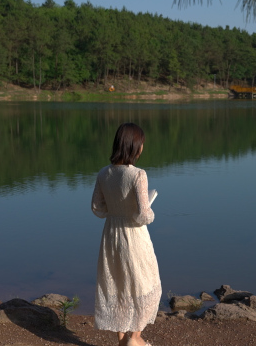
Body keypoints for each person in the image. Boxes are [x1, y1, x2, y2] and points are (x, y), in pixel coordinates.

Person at [91, 122, 161, 346]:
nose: (142, 149)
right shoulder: (138, 175)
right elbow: (143, 215)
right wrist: (149, 210)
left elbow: (97, 209)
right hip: (134, 237)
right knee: (146, 284)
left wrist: (116, 211)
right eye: (141, 145)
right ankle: (135, 338)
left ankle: (121, 340)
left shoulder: (103, 173)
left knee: (116, 284)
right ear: (134, 147)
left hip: (111, 235)